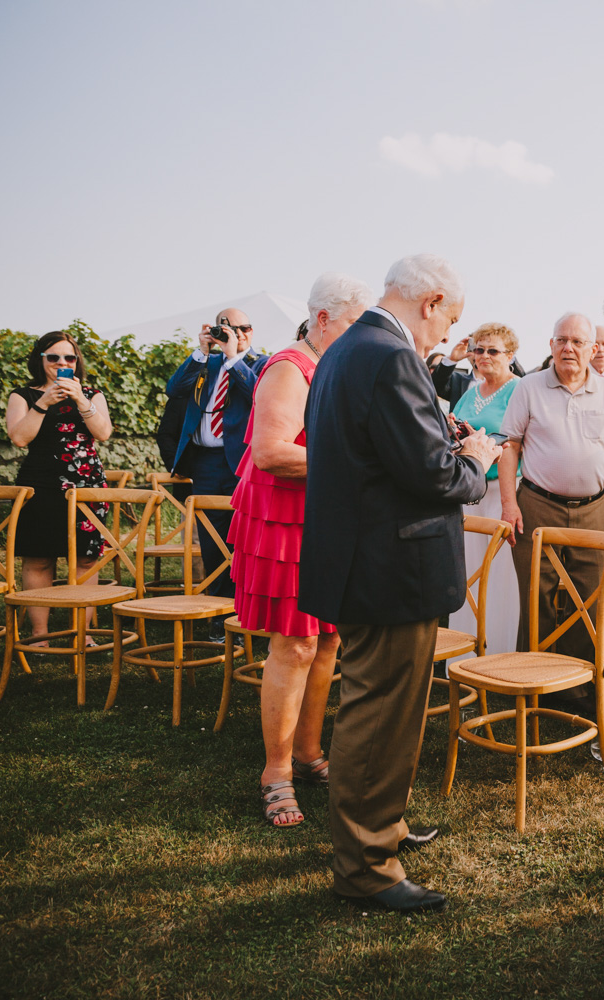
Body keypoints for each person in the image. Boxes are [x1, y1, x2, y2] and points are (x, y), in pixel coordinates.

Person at [300, 254, 501, 914]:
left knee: (381, 710)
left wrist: (441, 439)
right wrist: (474, 461)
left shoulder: (346, 348)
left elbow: (385, 455)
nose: (446, 337)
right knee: (380, 715)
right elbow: (433, 478)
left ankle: (380, 829)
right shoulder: (390, 356)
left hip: (367, 561)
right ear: (433, 300)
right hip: (389, 569)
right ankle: (365, 869)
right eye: (451, 321)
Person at [231, 273, 374, 828]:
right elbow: (270, 452)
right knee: (293, 647)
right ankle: (276, 772)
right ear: (322, 320)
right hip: (285, 519)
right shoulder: (291, 366)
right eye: (352, 326)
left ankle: (311, 753)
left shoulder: (333, 365)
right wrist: (361, 470)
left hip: (325, 518)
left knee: (327, 640)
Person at [498, 313, 604, 665]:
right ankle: (531, 682)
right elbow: (510, 447)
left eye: (577, 341)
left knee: (589, 598)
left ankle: (577, 688)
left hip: (595, 509)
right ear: (551, 346)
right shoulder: (529, 386)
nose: (568, 348)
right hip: (537, 506)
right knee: (535, 597)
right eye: (561, 340)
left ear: (593, 349)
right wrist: (509, 505)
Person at [4, 332, 114, 643]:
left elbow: (103, 433)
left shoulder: (92, 394)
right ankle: (40, 633)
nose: (62, 363)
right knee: (39, 557)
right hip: (40, 484)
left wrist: (80, 399)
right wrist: (42, 403)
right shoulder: (23, 396)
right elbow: (20, 438)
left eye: (69, 358)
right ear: (40, 360)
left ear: (77, 362)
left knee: (86, 558)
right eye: (53, 357)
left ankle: (83, 632)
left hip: (86, 484)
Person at [164, 308, 267, 613]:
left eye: (244, 327)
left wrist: (234, 357)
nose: (239, 333)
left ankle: (246, 608)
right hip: (205, 462)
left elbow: (258, 394)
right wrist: (202, 351)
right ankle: (218, 610)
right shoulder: (207, 362)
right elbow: (175, 390)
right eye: (230, 328)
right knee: (211, 539)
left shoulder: (261, 363)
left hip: (241, 462)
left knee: (245, 537)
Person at [429, 322, 522, 654]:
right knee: (467, 565)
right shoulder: (471, 389)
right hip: (469, 485)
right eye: (478, 349)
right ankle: (465, 646)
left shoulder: (519, 389)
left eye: (492, 350)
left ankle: (498, 649)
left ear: (510, 355)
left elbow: (518, 441)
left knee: (499, 570)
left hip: (502, 488)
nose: (483, 356)